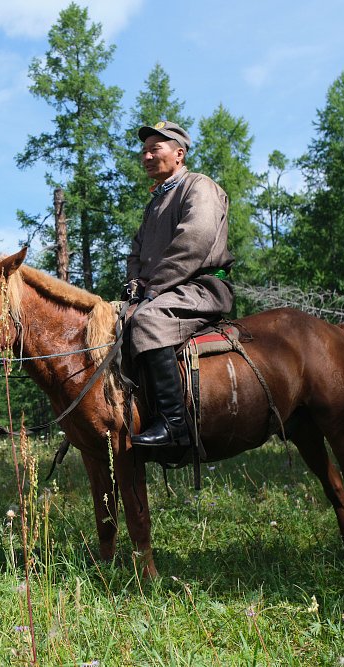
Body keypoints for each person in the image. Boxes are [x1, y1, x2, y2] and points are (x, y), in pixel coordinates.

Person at [125, 121, 235, 449]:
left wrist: (153, 289)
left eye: (154, 149)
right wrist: (133, 287)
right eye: (143, 151)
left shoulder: (199, 187)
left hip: (201, 287)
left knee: (147, 320)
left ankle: (175, 426)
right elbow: (136, 251)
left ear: (179, 153)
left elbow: (195, 241)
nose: (145, 156)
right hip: (164, 289)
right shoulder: (154, 204)